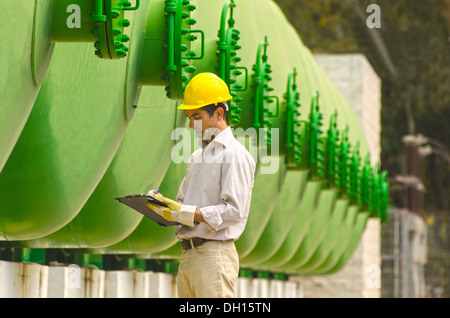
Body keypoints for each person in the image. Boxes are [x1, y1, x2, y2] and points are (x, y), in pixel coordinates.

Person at [147, 72, 256, 298]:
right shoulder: (198, 156)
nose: (191, 125)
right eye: (188, 118)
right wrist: (164, 208)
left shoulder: (234, 155)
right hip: (189, 255)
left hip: (214, 256)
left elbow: (234, 211)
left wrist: (189, 213)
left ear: (218, 113)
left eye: (196, 117)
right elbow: (183, 204)